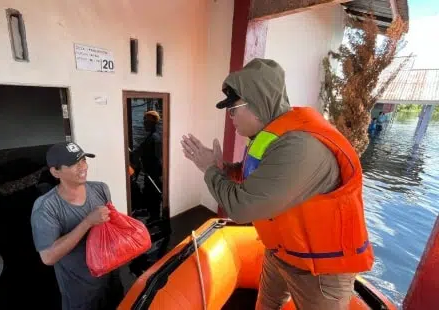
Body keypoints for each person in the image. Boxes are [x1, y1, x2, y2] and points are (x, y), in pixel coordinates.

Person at [181, 58, 374, 310]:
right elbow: (258, 180)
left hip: (320, 271)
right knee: (267, 304)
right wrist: (224, 168)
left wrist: (208, 169)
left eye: (233, 109)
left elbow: (242, 207)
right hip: (282, 252)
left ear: (257, 103)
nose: (230, 117)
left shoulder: (300, 147)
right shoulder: (271, 137)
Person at [30, 142, 124, 310]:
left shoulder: (100, 189)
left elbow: (110, 226)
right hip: (81, 292)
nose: (82, 167)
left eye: (83, 160)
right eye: (73, 163)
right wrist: (87, 222)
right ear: (55, 171)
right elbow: (48, 257)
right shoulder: (46, 207)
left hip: (112, 279)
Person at [131, 110, 163, 221]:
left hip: (153, 172)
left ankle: (155, 218)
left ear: (152, 123)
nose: (144, 124)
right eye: (144, 121)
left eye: (146, 121)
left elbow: (157, 157)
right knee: (148, 191)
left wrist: (140, 154)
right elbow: (141, 149)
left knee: (153, 193)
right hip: (149, 171)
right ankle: (149, 212)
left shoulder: (155, 138)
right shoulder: (151, 137)